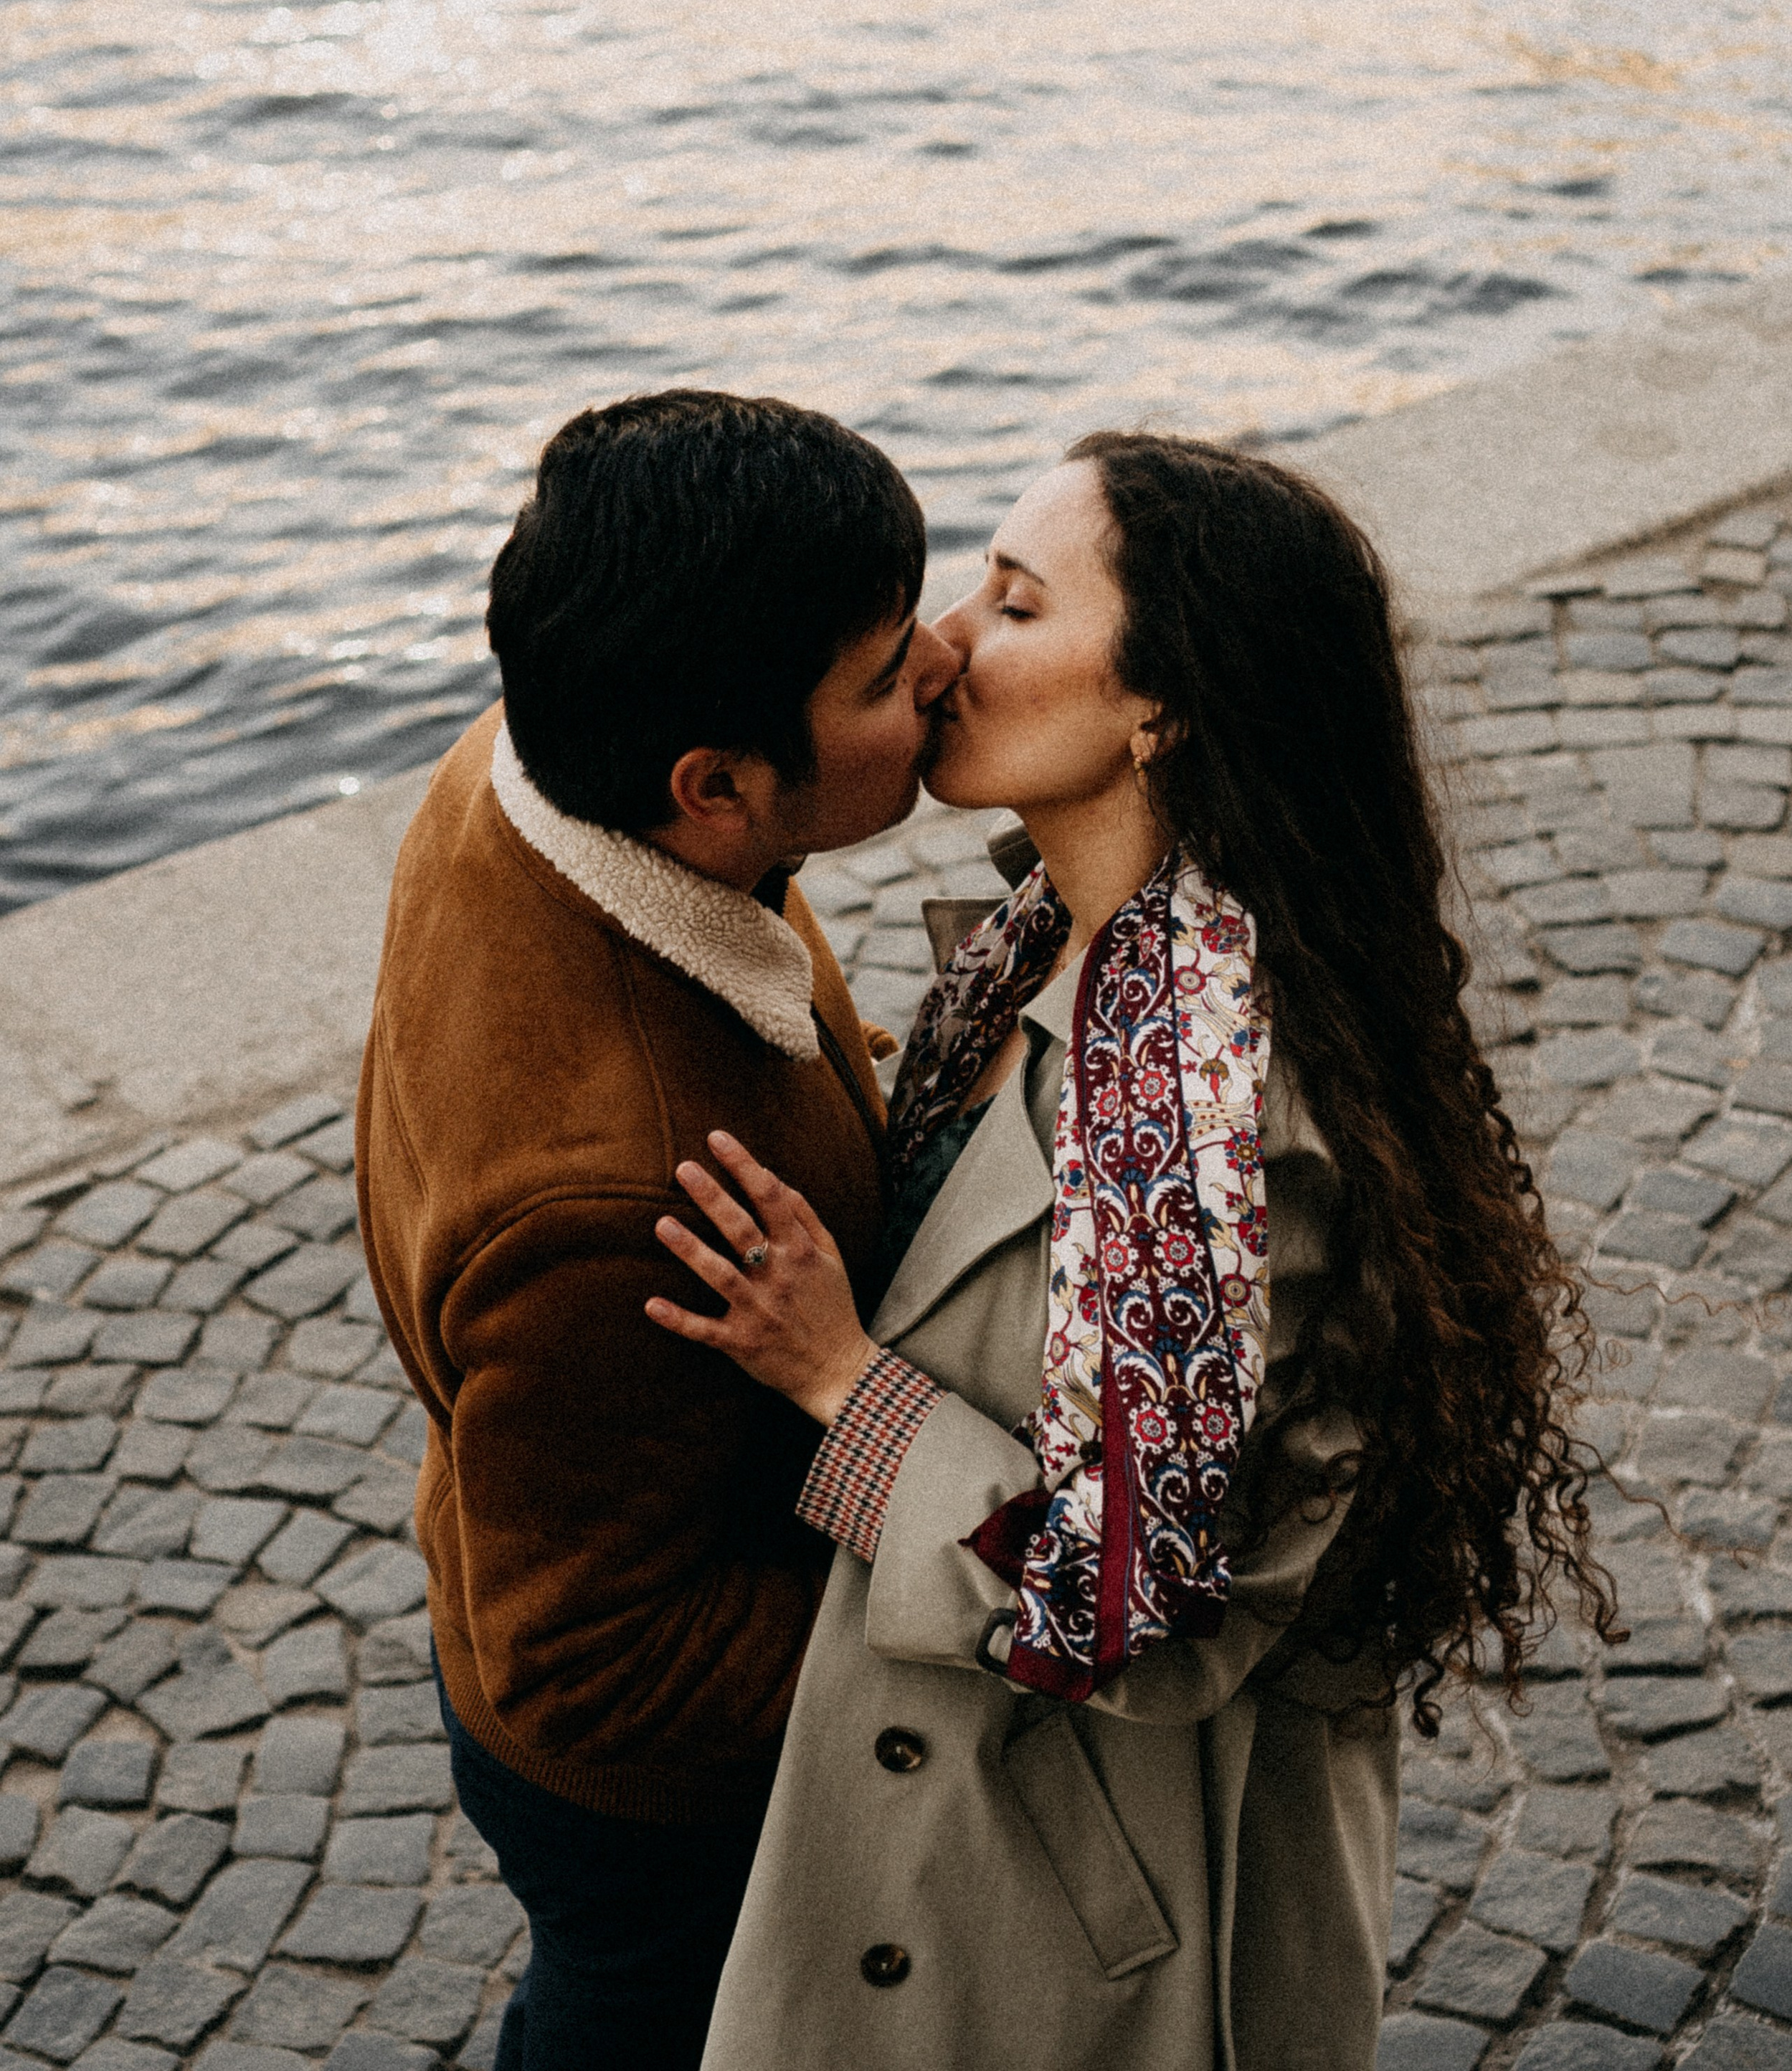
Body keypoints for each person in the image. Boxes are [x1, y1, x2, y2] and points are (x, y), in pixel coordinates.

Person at [651, 430, 1615, 2071]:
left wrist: (836, 1378)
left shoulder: (1208, 1092)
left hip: (1090, 1914)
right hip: (963, 1829)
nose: (944, 644)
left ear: (1157, 706)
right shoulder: (1051, 945)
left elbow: (1132, 1603)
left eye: (1015, 605)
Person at [354, 389, 959, 2071]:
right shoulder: (617, 1197)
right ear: (714, 788)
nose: (940, 669)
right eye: (880, 675)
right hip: (656, 1819)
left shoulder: (535, 764)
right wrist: (947, 1648)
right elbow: (590, 1666)